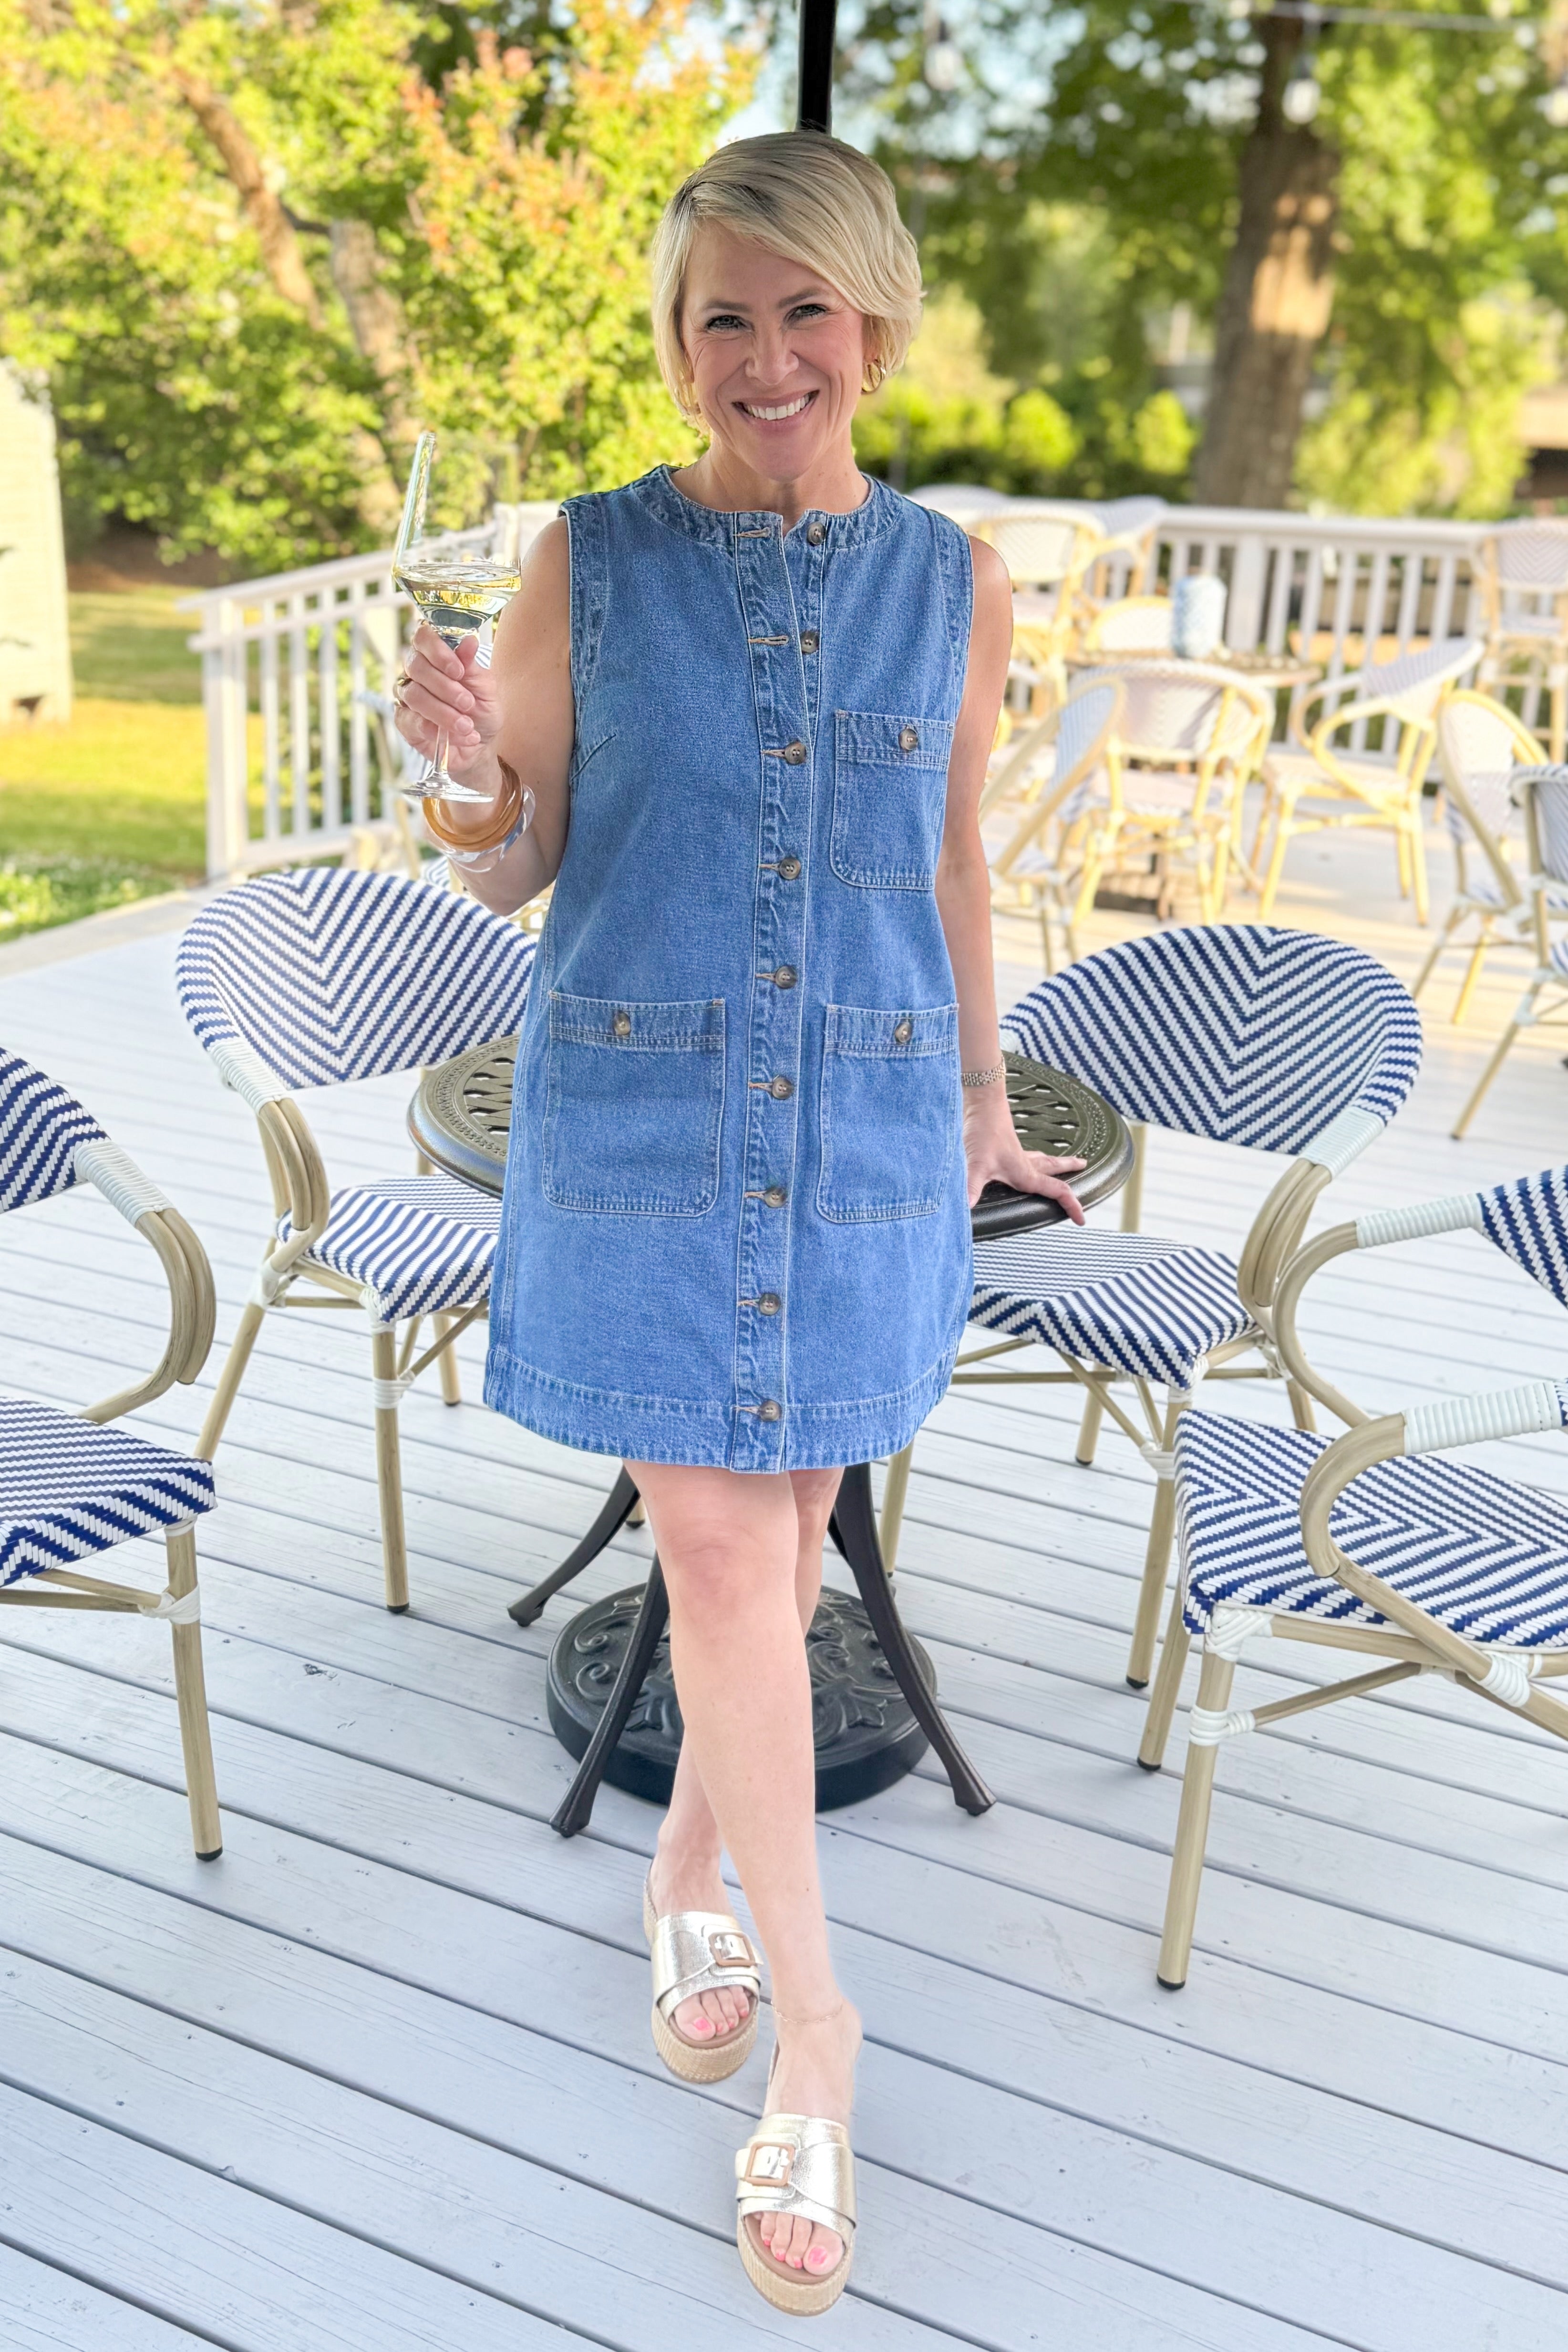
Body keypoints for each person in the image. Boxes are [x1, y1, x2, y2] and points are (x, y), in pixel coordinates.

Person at [395, 128, 1084, 2317]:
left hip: (870, 1130)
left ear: (871, 326)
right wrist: (458, 777)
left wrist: (985, 1108)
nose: (764, 356)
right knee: (714, 1544)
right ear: (678, 350)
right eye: (721, 317)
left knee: (781, 1556)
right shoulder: (586, 561)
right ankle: (822, 2030)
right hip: (646, 1116)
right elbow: (510, 864)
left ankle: (685, 1872)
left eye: (804, 312)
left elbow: (952, 858)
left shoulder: (956, 581)